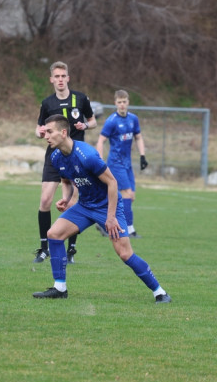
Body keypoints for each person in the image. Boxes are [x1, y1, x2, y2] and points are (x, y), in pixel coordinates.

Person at [32, 115, 171, 303]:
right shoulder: (56, 157)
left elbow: (112, 183)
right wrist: (66, 198)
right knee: (54, 234)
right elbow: (66, 180)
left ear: (63, 133)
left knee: (124, 253)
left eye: (50, 131)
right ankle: (60, 288)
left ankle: (160, 292)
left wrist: (111, 217)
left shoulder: (87, 155)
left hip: (107, 206)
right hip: (85, 205)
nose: (45, 135)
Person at [34, 61, 96, 265]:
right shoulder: (47, 103)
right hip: (54, 156)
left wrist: (85, 125)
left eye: (63, 76)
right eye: (56, 76)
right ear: (51, 79)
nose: (60, 80)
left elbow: (93, 121)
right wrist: (40, 132)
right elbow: (38, 128)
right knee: (45, 201)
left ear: (68, 78)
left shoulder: (81, 98)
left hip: (75, 157)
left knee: (70, 203)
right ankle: (44, 248)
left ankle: (71, 249)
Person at [96, 89, 148, 238]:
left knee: (131, 196)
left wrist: (142, 155)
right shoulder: (112, 121)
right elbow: (101, 140)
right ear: (115, 103)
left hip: (127, 163)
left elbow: (138, 137)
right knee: (127, 194)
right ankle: (129, 229)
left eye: (124, 102)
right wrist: (100, 160)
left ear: (128, 102)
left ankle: (103, 222)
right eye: (119, 102)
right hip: (115, 163)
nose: (122, 105)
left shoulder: (133, 119)